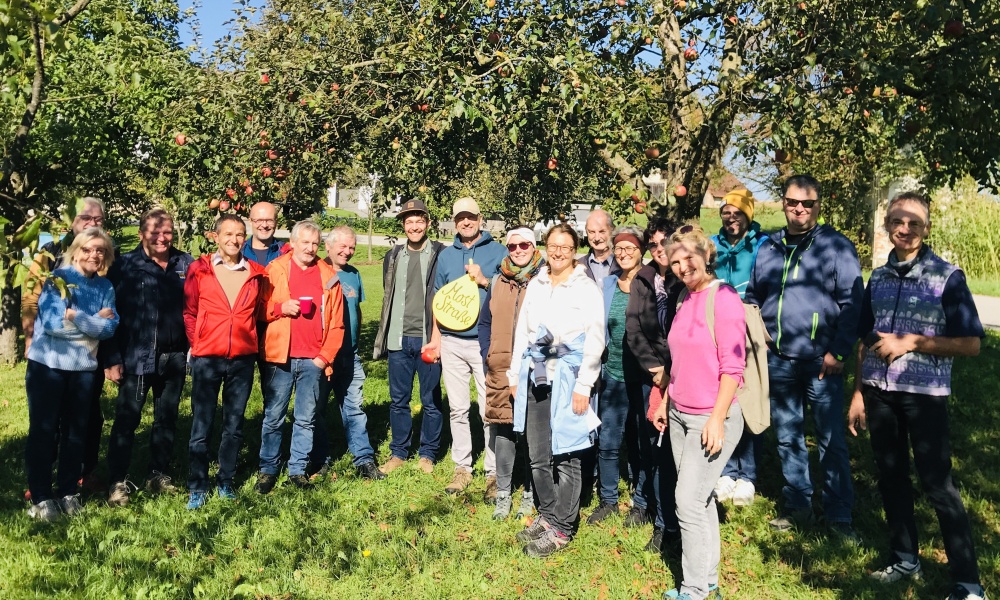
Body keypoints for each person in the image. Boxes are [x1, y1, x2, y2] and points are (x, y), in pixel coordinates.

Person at [848, 192, 989, 600]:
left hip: (924, 395)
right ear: (887, 224)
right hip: (878, 393)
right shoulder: (877, 277)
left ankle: (967, 584)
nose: (905, 229)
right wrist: (858, 393)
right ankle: (905, 559)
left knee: (938, 485)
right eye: (897, 220)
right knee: (891, 478)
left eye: (914, 222)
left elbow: (972, 344)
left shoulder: (948, 277)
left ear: (926, 228)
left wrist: (913, 342)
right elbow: (865, 339)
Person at [744, 174, 863, 538]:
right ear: (783, 203)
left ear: (818, 206)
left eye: (807, 204)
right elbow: (753, 296)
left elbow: (852, 304)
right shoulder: (769, 247)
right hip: (778, 358)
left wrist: (838, 351)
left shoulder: (836, 247)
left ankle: (839, 514)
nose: (799, 209)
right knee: (788, 436)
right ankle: (798, 505)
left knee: (829, 439)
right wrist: (757, 336)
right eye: (793, 202)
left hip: (821, 362)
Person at [652, 225, 745, 600]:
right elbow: (681, 360)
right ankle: (707, 581)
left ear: (707, 254)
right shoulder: (684, 299)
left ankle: (694, 591)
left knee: (687, 501)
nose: (682, 265)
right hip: (679, 414)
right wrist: (665, 401)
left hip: (711, 417)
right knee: (699, 499)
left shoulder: (723, 298)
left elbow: (732, 368)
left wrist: (717, 418)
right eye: (674, 261)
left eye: (689, 256)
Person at [509, 224, 605, 558]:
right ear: (546, 247)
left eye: (565, 246)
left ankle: (563, 526)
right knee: (538, 455)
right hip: (537, 375)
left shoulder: (585, 288)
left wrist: (584, 385)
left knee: (567, 455)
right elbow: (523, 330)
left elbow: (595, 339)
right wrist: (513, 374)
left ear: (575, 249)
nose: (558, 251)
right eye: (553, 245)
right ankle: (548, 515)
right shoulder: (537, 282)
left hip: (569, 379)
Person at [24, 228, 119, 520]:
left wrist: (75, 315)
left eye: (100, 250)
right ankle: (40, 497)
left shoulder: (105, 287)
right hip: (48, 367)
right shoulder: (59, 280)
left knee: (76, 433)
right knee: (44, 431)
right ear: (76, 250)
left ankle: (67, 491)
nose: (94, 255)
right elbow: (53, 324)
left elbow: (110, 328)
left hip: (83, 373)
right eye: (88, 249)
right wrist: (93, 324)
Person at [105, 208, 194, 507]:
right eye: (155, 231)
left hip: (175, 357)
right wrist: (112, 357)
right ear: (142, 233)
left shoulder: (185, 264)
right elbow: (110, 314)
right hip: (136, 357)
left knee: (166, 418)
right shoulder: (125, 266)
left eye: (167, 231)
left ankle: (158, 473)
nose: (161, 237)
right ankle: (117, 481)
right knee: (126, 421)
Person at [424, 197, 507, 497]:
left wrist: (485, 281)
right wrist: (436, 339)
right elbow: (438, 301)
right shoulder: (446, 257)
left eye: (470, 217)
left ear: (480, 219)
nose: (466, 222)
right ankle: (462, 468)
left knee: (489, 409)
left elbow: (511, 291)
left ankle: (494, 473)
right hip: (452, 342)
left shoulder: (498, 251)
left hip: (485, 341)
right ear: (454, 221)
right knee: (458, 408)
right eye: (460, 218)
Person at [255, 220, 346, 493]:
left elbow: (338, 324)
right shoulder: (276, 270)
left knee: (306, 418)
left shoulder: (328, 275)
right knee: (274, 416)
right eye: (304, 242)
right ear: (292, 243)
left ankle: (297, 470)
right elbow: (258, 309)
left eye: (314, 243)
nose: (309, 248)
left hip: (313, 359)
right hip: (279, 357)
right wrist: (281, 307)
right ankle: (268, 470)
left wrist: (324, 357)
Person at [182, 214, 266, 509]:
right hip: (207, 358)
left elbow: (262, 311)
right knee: (201, 424)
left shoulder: (255, 273)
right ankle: (197, 485)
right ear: (215, 237)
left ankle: (226, 481)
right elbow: (190, 312)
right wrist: (199, 342)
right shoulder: (200, 270)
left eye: (240, 234)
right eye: (228, 233)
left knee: (234, 425)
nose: (234, 239)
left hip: (242, 360)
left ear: (246, 238)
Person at [621, 218, 681, 554]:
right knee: (650, 445)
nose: (660, 248)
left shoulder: (683, 277)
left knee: (669, 450)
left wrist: (672, 371)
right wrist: (656, 369)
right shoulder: (643, 279)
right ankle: (651, 507)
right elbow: (634, 329)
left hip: (681, 374)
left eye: (665, 242)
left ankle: (668, 521)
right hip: (651, 374)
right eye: (654, 243)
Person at [374, 199, 446, 476]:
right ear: (403, 225)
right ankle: (399, 452)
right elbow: (388, 292)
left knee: (430, 399)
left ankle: (427, 453)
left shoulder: (440, 253)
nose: (414, 226)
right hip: (398, 339)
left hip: (428, 338)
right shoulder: (393, 256)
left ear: (427, 223)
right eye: (409, 221)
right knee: (398, 400)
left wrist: (439, 336)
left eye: (419, 221)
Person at [477, 226, 545, 520]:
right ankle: (503, 492)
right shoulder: (497, 282)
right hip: (501, 367)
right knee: (502, 429)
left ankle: (530, 492)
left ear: (534, 246)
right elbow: (484, 323)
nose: (518, 250)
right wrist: (487, 355)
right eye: (513, 246)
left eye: (524, 245)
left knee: (532, 433)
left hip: (533, 369)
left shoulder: (545, 280)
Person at [311, 226, 384, 481]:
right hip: (321, 355)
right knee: (316, 409)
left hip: (349, 355)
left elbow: (357, 312)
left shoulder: (354, 275)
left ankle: (363, 458)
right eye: (342, 246)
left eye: (352, 247)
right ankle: (319, 458)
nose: (348, 251)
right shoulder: (315, 272)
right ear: (328, 246)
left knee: (354, 408)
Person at [591, 226, 650, 528]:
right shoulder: (609, 284)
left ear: (642, 250)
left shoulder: (652, 283)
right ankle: (608, 500)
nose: (625, 253)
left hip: (644, 379)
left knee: (643, 442)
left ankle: (641, 503)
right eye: (620, 248)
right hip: (612, 373)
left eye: (631, 248)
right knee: (609, 441)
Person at [710, 189, 766, 507]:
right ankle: (727, 471)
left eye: (738, 212)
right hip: (720, 329)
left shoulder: (762, 245)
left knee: (750, 400)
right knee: (726, 399)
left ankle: (748, 475)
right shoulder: (714, 245)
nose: (731, 218)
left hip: (751, 328)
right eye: (726, 213)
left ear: (749, 214)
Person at [582, 209, 621, 282]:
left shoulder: (623, 264)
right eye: (592, 232)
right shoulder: (578, 266)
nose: (597, 238)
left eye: (602, 232)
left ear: (612, 230)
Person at [242, 202, 286, 266]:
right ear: (250, 221)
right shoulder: (239, 251)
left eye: (269, 220)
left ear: (276, 222)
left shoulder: (286, 252)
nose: (264, 225)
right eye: (259, 220)